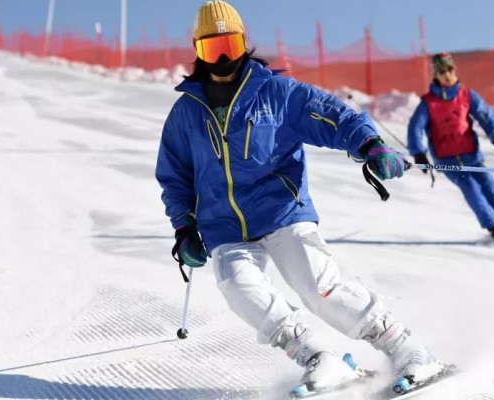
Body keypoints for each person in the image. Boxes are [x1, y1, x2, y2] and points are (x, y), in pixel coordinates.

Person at [155, 0, 445, 394]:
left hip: (282, 212)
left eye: (230, 46)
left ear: (244, 43)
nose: (223, 58)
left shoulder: (275, 92)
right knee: (238, 287)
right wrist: (184, 227)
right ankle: (318, 357)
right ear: (197, 50)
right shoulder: (186, 113)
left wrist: (370, 144)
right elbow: (175, 177)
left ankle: (406, 348)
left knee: (319, 286)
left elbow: (333, 115)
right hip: (224, 227)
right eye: (212, 49)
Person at [407, 53, 494, 245]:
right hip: (447, 159)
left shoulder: (467, 95)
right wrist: (419, 153)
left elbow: (486, 116)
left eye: (450, 70)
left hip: (471, 155)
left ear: (455, 70)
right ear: (436, 75)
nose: (447, 75)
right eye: (442, 71)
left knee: (491, 189)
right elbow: (415, 127)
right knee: (472, 190)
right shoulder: (428, 103)